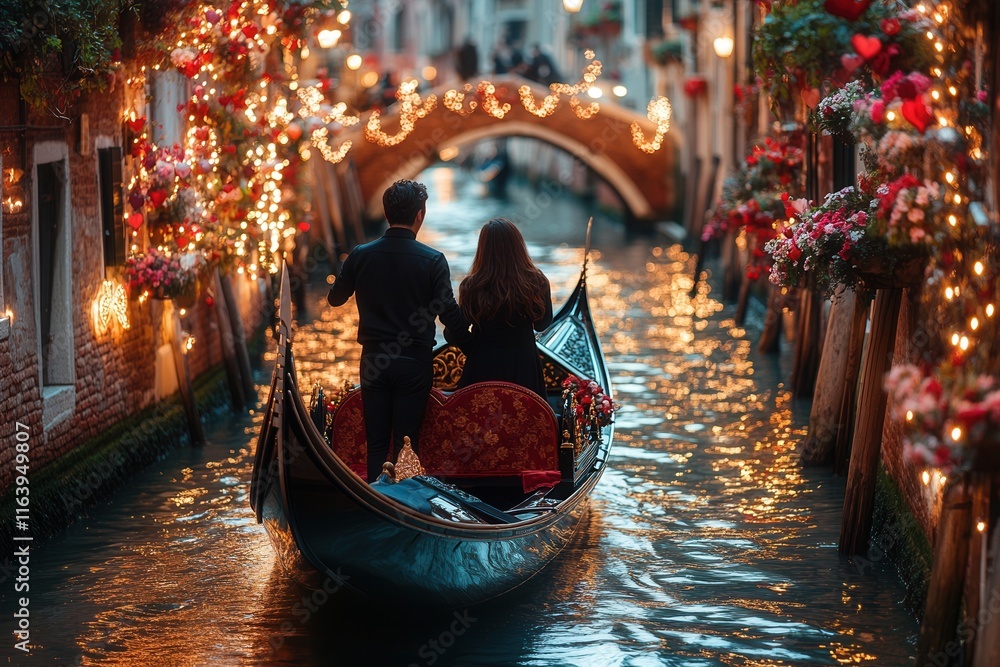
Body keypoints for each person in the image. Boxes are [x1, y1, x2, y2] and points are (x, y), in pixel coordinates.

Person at [328, 180, 470, 481]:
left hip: (374, 361)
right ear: (420, 215)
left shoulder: (361, 254)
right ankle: (406, 503)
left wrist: (352, 269)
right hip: (413, 362)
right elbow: (449, 315)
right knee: (407, 443)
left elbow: (335, 298)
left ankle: (376, 497)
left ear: (386, 212)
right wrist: (473, 345)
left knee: (377, 444)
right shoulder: (433, 260)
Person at [451, 218, 553, 398]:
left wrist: (473, 349)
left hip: (482, 367)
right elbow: (542, 324)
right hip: (523, 367)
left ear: (483, 248)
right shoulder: (537, 281)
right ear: (518, 246)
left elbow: (454, 332)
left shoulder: (471, 286)